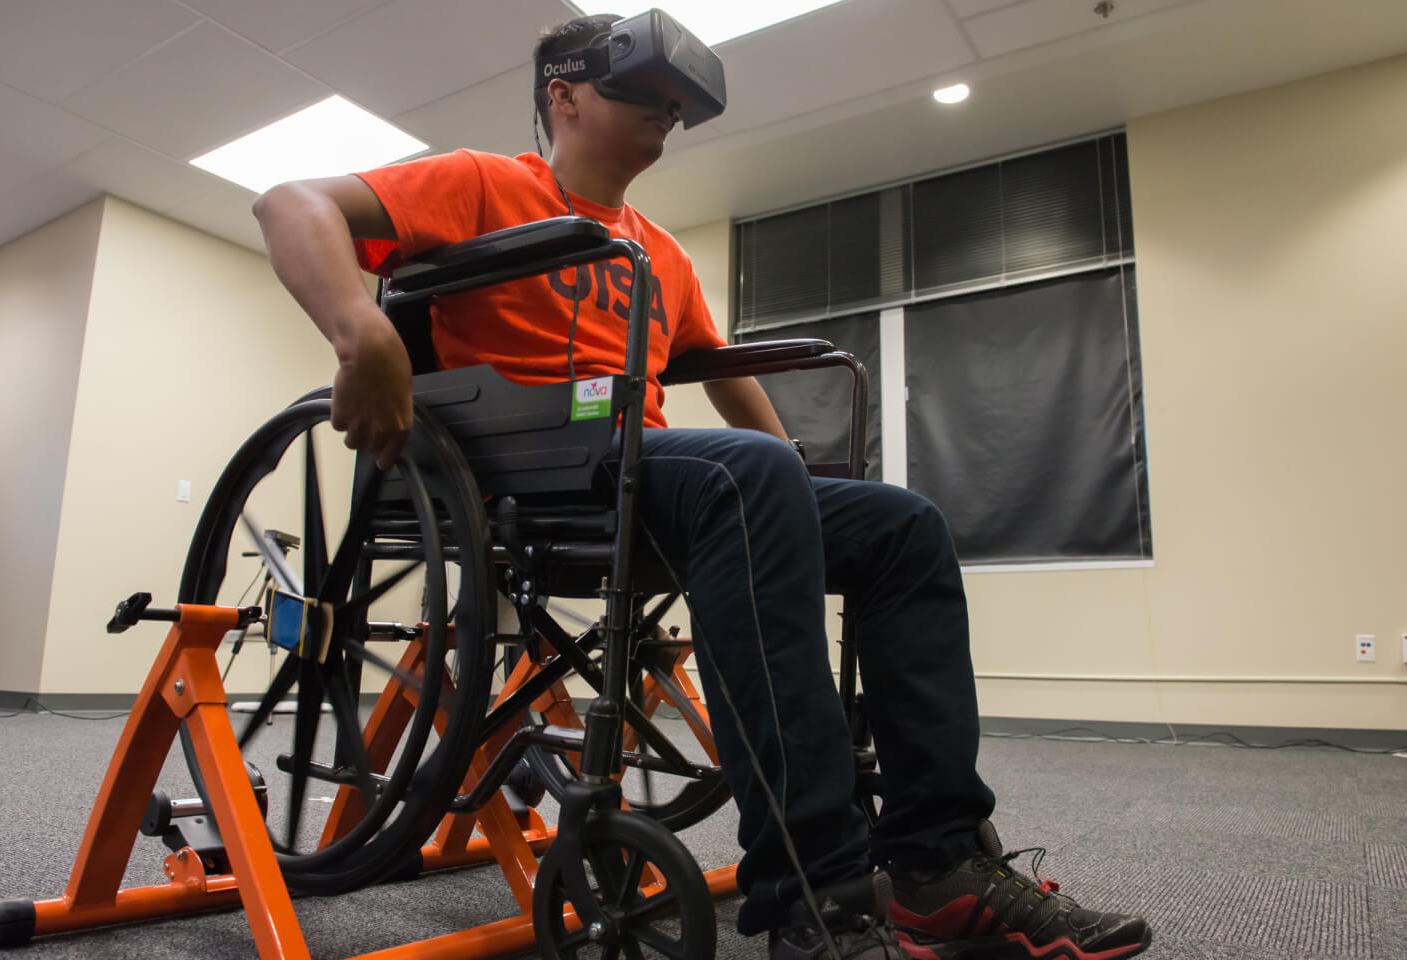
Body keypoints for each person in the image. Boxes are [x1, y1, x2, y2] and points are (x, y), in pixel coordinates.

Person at [252, 13, 1153, 960]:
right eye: (642, 94)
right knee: (750, 474)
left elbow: (724, 372)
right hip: (531, 470)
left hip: (647, 474)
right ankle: (817, 890)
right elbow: (288, 203)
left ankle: (936, 864)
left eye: (674, 103)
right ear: (562, 95)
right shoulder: (487, 182)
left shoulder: (658, 252)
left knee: (901, 525)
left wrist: (793, 482)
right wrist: (365, 332)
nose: (668, 113)